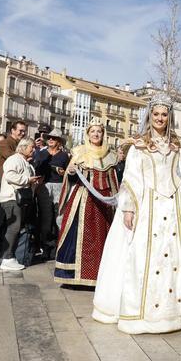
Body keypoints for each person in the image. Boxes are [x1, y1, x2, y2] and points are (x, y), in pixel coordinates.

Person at [92, 93, 181, 334]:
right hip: (147, 204)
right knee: (141, 256)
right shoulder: (139, 144)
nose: (159, 118)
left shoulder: (179, 144)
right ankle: (139, 314)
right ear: (150, 115)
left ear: (169, 117)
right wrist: (128, 208)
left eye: (164, 114)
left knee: (176, 256)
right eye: (155, 114)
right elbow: (132, 177)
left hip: (176, 205)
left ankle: (172, 314)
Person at [54, 117, 119, 287]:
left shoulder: (110, 155)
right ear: (88, 134)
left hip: (104, 203)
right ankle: (75, 277)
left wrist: (119, 203)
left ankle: (100, 276)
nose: (96, 134)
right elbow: (69, 174)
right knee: (78, 236)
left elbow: (113, 181)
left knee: (102, 237)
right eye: (93, 131)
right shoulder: (79, 152)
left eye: (99, 131)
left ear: (103, 134)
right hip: (83, 200)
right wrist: (72, 172)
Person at [0, 137, 39, 271]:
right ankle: (7, 258)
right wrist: (28, 179)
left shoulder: (24, 161)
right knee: (13, 228)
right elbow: (10, 175)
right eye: (31, 147)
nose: (33, 150)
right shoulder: (14, 159)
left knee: (15, 228)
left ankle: (9, 256)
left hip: (19, 199)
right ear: (23, 147)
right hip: (11, 198)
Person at [33, 128, 69, 260]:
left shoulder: (64, 156)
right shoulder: (42, 153)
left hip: (59, 186)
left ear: (59, 141)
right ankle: (46, 248)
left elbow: (69, 172)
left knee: (59, 218)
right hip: (45, 187)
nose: (51, 140)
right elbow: (37, 169)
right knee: (46, 218)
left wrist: (63, 172)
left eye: (54, 138)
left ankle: (60, 248)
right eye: (49, 138)